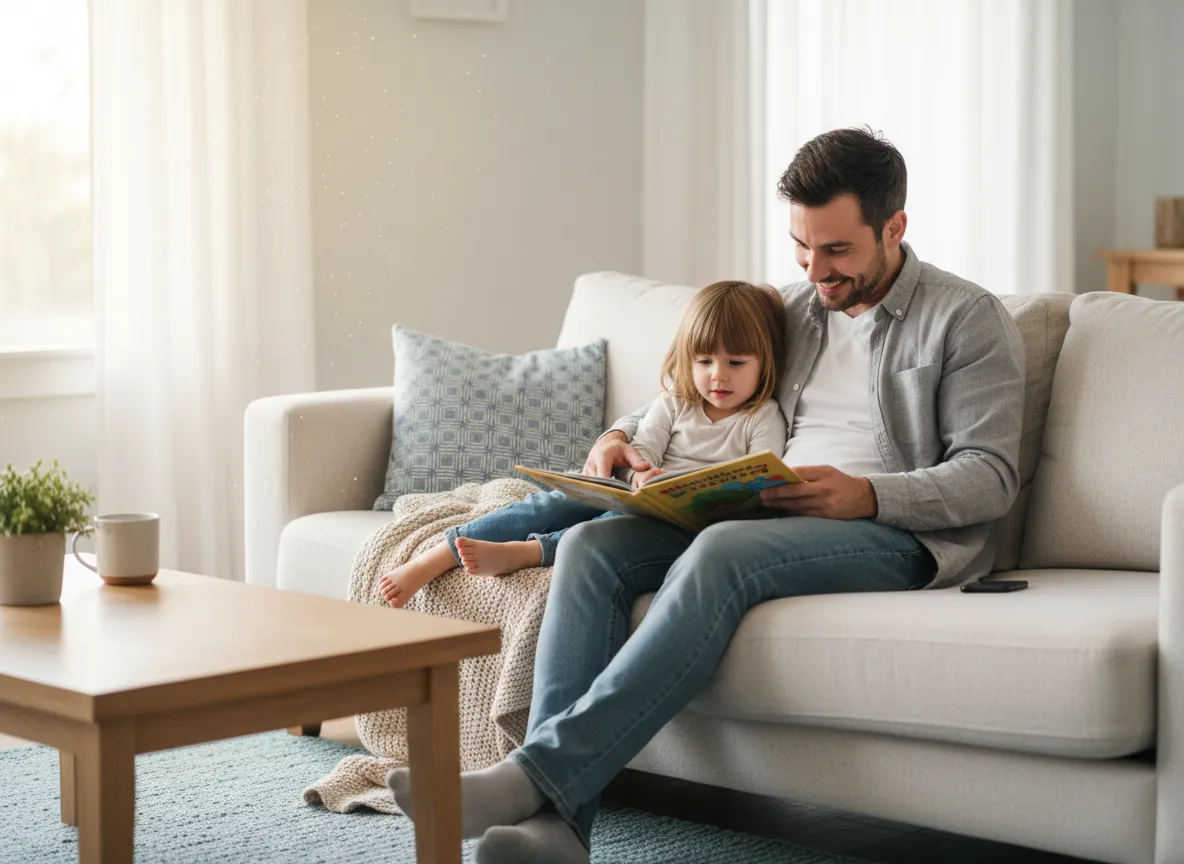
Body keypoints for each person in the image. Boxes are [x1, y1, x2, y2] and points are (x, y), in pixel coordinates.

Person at [386, 127, 1026, 864]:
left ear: (895, 227)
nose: (815, 269)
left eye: (837, 251)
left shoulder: (965, 318)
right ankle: (556, 831)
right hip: (760, 507)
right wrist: (619, 438)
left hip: (893, 533)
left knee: (724, 551)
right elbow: (693, 389)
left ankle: (531, 775)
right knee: (593, 546)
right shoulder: (792, 308)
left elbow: (991, 475)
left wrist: (870, 496)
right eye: (801, 246)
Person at [377, 279, 789, 607]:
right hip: (636, 491)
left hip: (686, 520)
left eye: (735, 363)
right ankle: (438, 556)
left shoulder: (762, 416)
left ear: (764, 362)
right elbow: (643, 446)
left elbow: (755, 478)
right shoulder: (676, 402)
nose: (718, 376)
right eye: (704, 361)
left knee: (609, 529)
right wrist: (642, 473)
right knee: (550, 502)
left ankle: (527, 554)